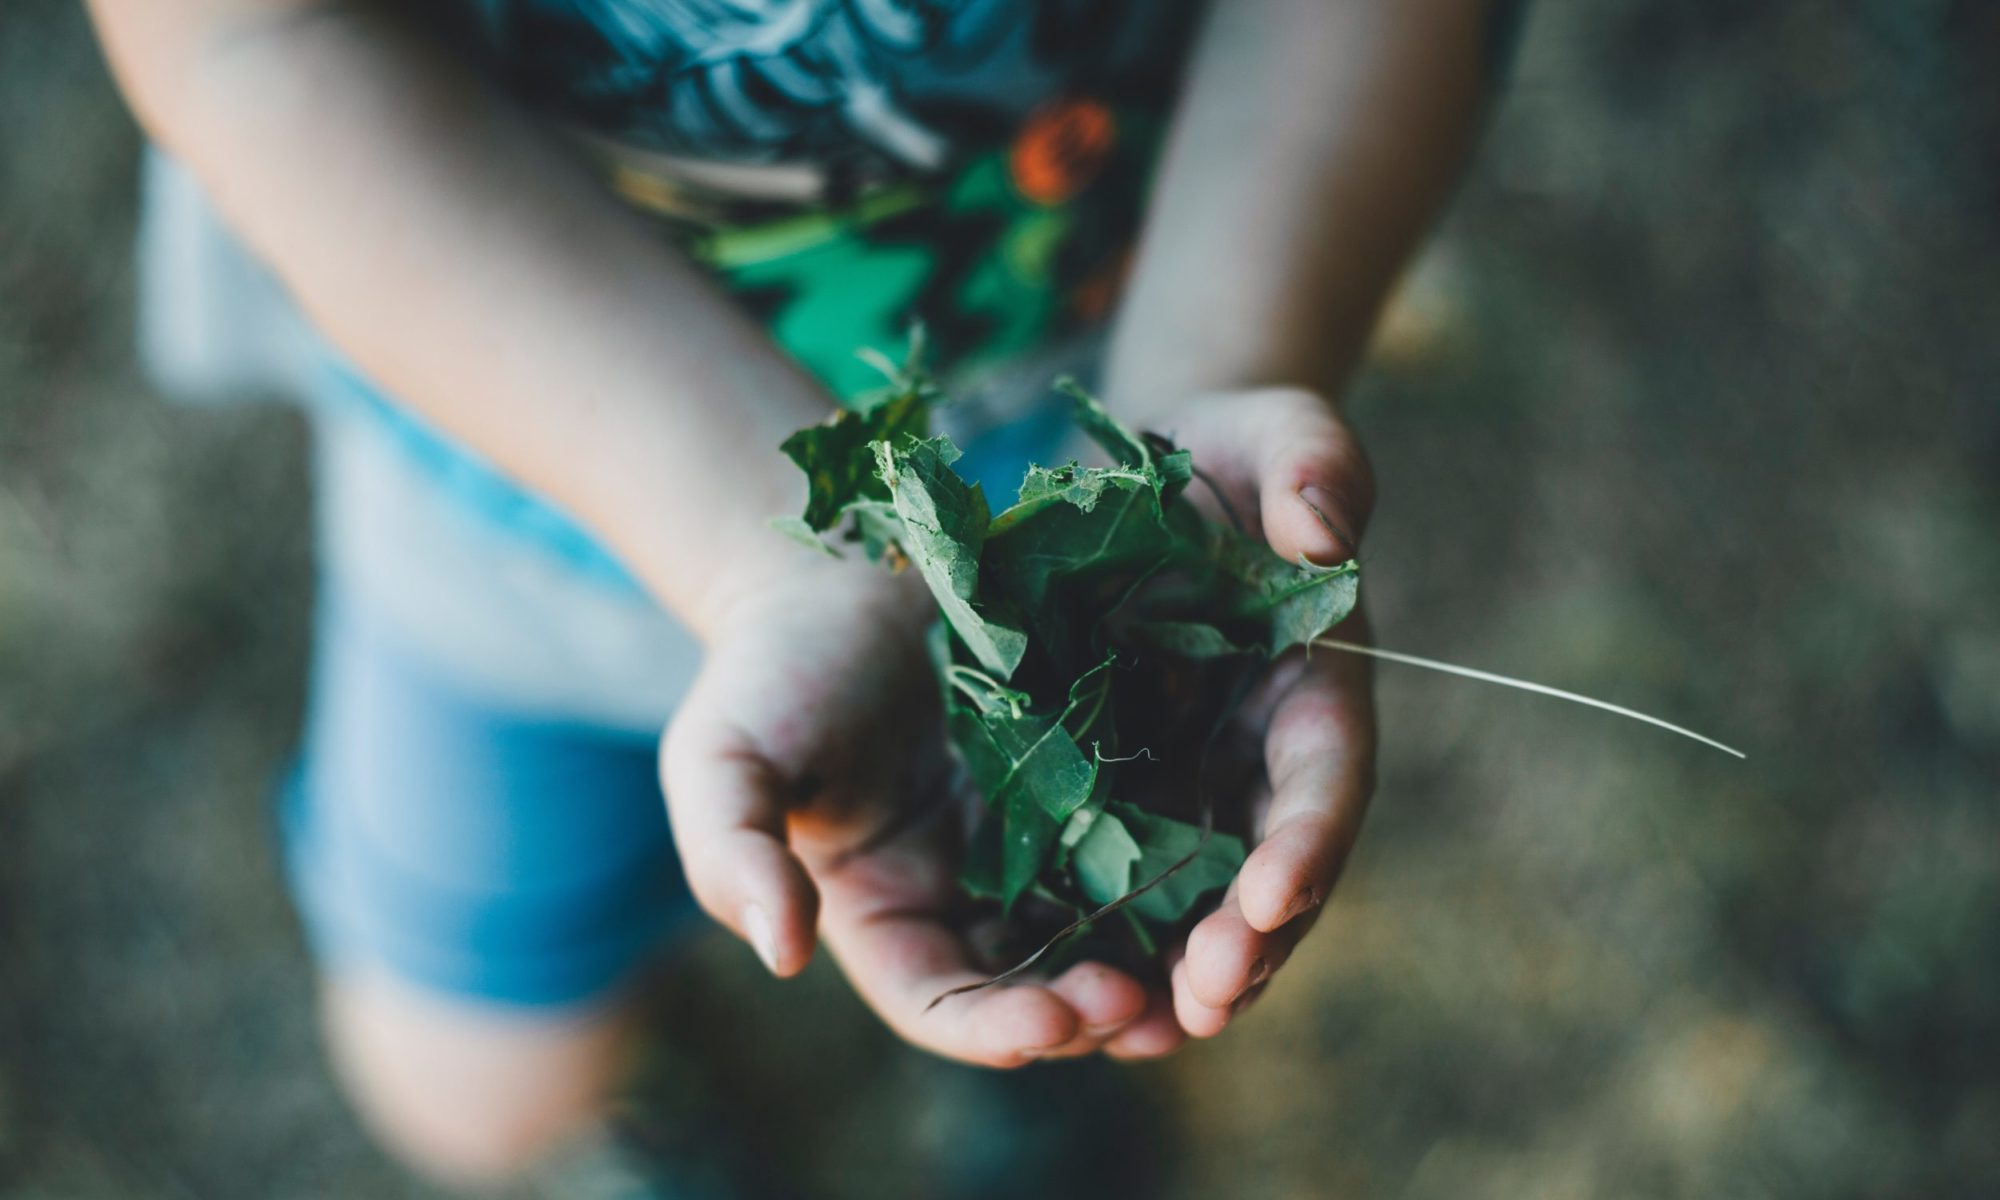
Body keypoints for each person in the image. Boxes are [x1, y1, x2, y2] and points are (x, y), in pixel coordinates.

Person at [85, 0, 1512, 1187]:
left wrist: (1208, 372)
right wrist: (761, 553)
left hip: (1086, 380)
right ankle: (641, 1084)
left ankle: (1028, 1032)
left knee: (1069, 903)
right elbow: (252, 40)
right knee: (472, 1090)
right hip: (517, 501)